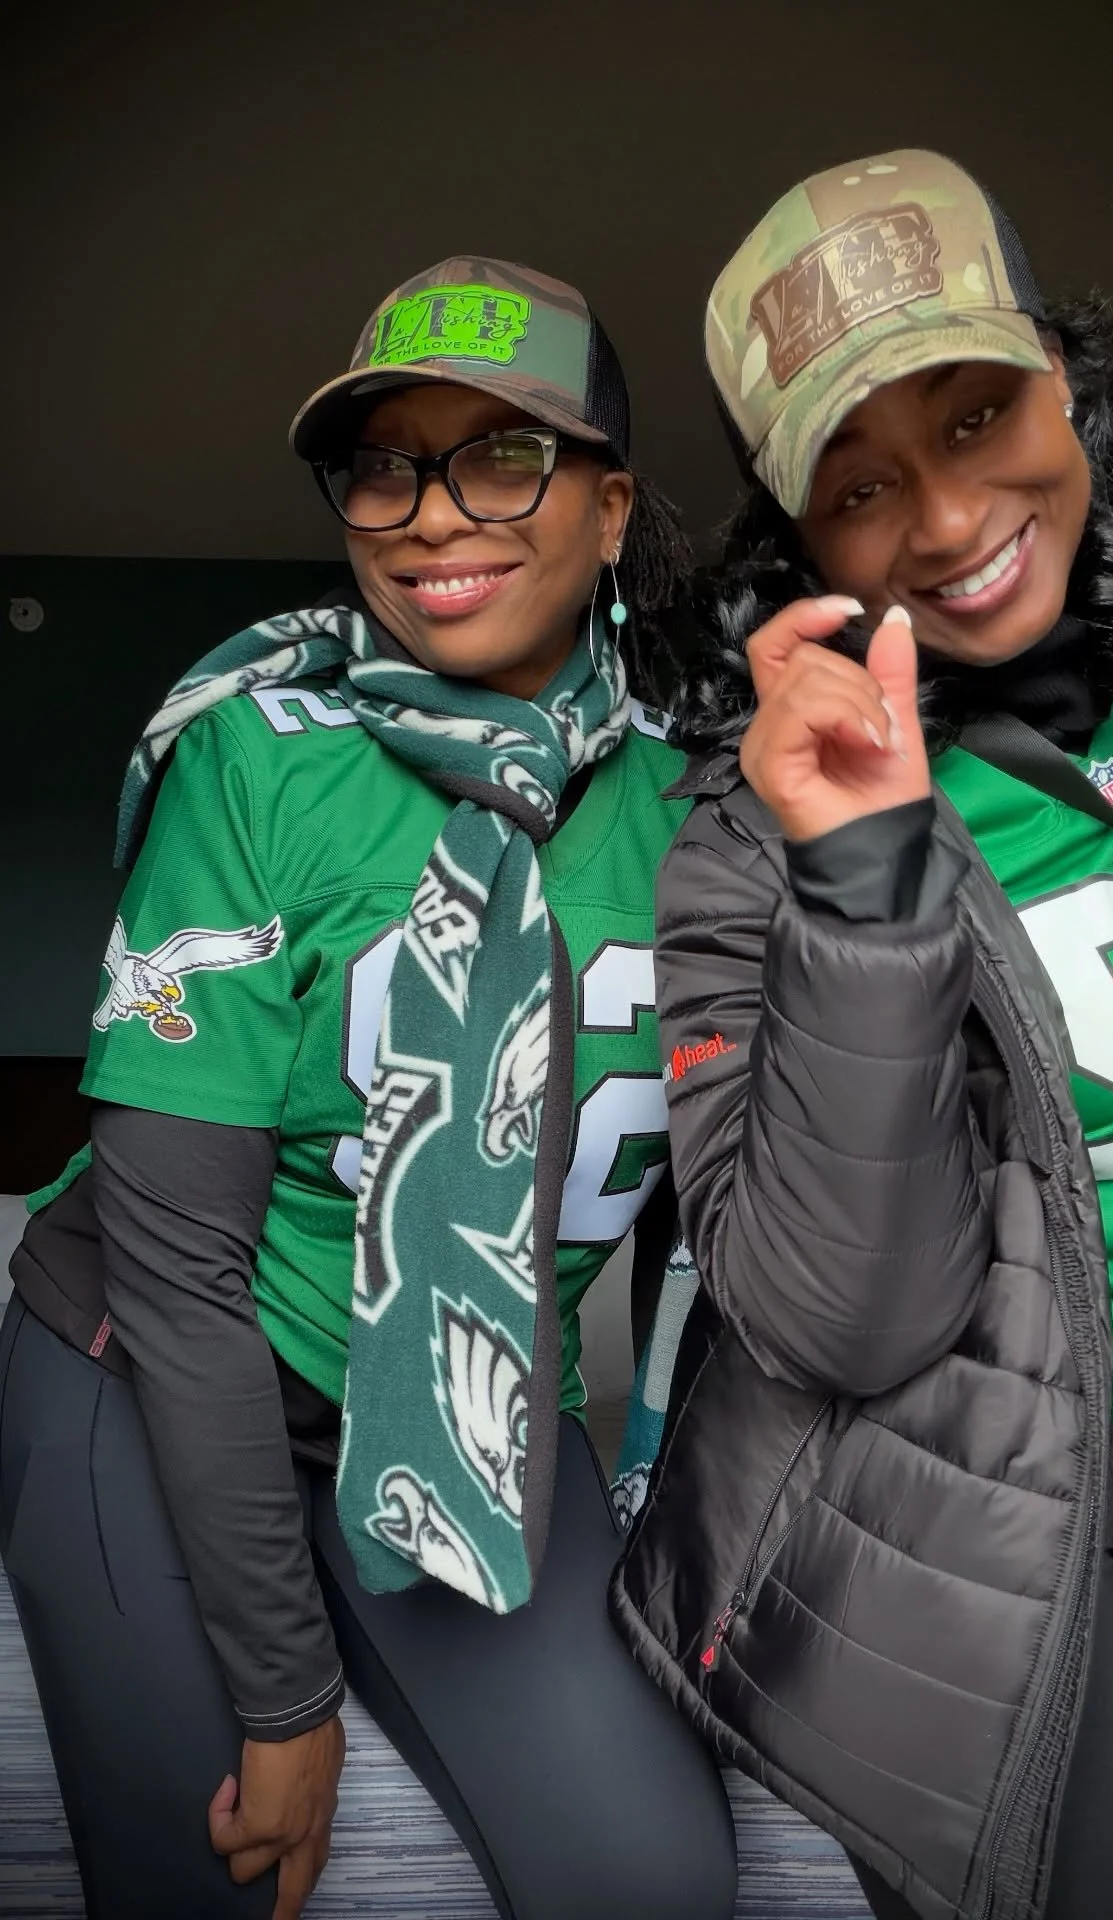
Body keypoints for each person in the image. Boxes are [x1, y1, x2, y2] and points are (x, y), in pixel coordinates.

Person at [610, 153, 1113, 1920]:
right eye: (861, 484)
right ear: (805, 543)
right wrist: (865, 885)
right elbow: (839, 1312)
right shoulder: (748, 840)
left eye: (981, 411)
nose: (947, 512)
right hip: (957, 1535)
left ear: (1074, 383)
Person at [0, 258, 736, 1920]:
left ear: (612, 509)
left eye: (500, 457)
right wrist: (285, 1697)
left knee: (654, 1873)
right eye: (385, 464)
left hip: (472, 1398)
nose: (428, 514)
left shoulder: (712, 811)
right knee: (211, 1868)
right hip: (151, 1367)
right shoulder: (254, 753)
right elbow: (181, 1275)